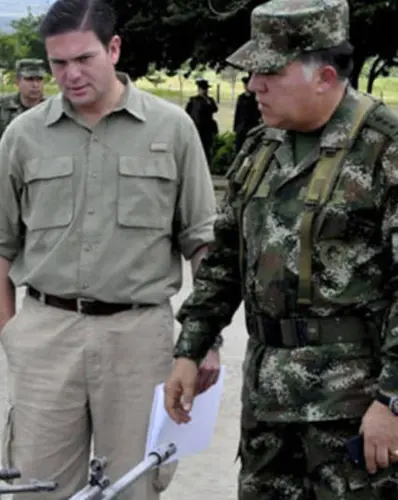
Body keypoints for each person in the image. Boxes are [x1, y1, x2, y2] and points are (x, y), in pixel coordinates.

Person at [0, 0, 219, 497]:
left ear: (113, 48)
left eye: (84, 59)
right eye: (58, 64)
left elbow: (202, 240)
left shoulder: (171, 130)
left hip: (138, 335)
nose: (70, 75)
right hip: (47, 334)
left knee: (132, 484)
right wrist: (10, 332)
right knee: (36, 485)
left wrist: (204, 337)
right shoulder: (24, 136)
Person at [164, 0, 398, 498]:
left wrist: (392, 403)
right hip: (269, 406)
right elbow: (226, 258)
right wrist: (192, 347)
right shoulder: (261, 148)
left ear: (324, 76)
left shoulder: (385, 151)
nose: (253, 86)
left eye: (269, 72)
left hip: (355, 413)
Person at [0, 58, 47, 340]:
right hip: (7, 194)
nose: (35, 85)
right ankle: (0, 315)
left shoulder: (56, 111)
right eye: (29, 79)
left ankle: (39, 315)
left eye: (39, 79)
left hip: (44, 196)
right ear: (17, 82)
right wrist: (2, 163)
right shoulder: (0, 110)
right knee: (1, 252)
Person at [185, 78, 218, 166]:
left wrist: (208, 102)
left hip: (207, 129)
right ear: (199, 89)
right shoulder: (193, 100)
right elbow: (187, 113)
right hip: (197, 128)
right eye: (203, 89)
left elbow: (215, 109)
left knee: (207, 149)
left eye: (206, 89)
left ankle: (207, 165)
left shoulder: (210, 100)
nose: (205, 91)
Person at [233, 75, 261, 153]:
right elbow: (237, 112)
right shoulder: (241, 97)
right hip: (241, 126)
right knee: (239, 147)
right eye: (244, 85)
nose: (245, 87)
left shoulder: (255, 97)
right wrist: (235, 127)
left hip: (252, 125)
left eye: (247, 85)